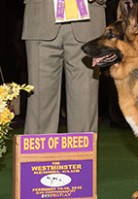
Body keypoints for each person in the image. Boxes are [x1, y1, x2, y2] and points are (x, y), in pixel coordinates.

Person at [22, 0, 107, 134]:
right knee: (39, 101)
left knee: (85, 100)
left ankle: (82, 154)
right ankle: (39, 154)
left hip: (88, 18)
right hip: (41, 16)